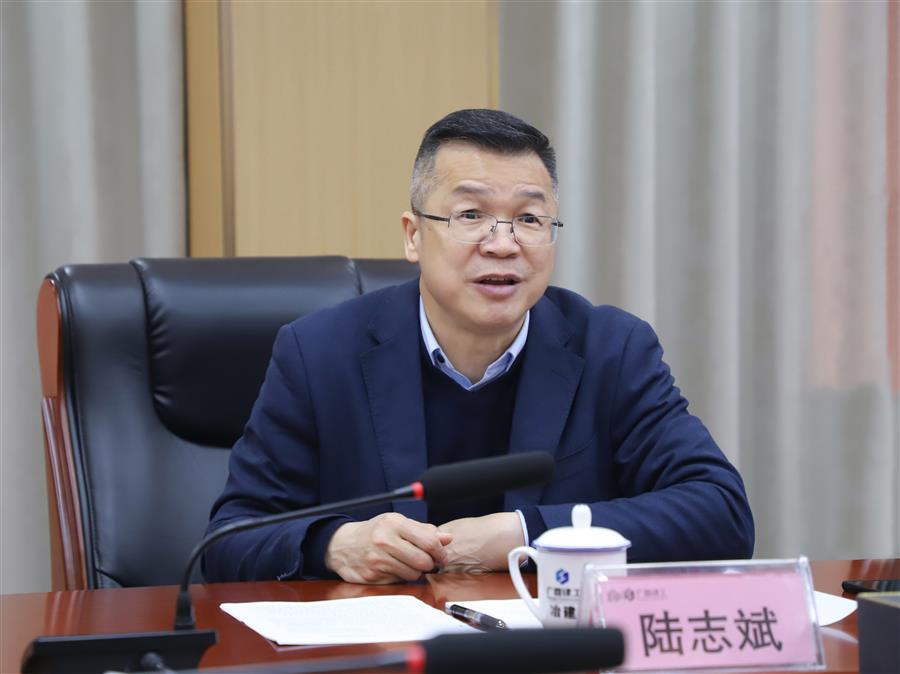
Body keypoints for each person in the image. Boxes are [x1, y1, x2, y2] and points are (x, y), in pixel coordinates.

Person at [204, 109, 754, 584]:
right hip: (382, 648)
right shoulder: (319, 353)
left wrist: (526, 534)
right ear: (413, 235)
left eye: (529, 219)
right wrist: (332, 545)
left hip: (547, 648)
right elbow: (228, 539)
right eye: (471, 215)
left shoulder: (612, 350)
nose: (503, 244)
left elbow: (721, 513)